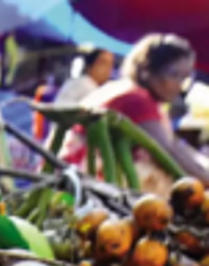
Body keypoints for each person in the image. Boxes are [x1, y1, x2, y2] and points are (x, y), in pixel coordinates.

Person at [60, 33, 209, 194]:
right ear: (146, 70)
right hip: (79, 185)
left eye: (185, 78)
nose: (180, 86)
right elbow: (168, 153)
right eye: (174, 75)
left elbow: (175, 144)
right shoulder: (137, 100)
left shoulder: (127, 90)